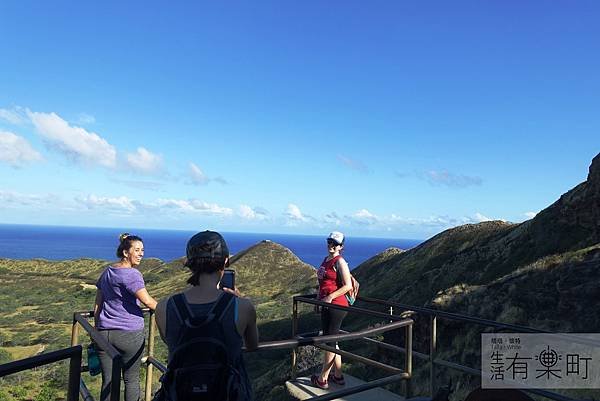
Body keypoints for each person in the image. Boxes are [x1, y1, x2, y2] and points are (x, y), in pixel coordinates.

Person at [155, 230, 258, 401]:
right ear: (225, 261)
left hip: (181, 393)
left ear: (190, 264)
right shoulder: (243, 306)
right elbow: (252, 345)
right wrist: (239, 299)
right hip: (227, 394)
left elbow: (170, 341)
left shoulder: (164, 306)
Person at [93, 233, 158, 401]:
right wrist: (170, 309)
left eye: (142, 250)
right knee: (131, 379)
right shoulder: (132, 274)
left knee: (108, 380)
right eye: (136, 250)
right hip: (129, 334)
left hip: (103, 332)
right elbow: (148, 302)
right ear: (125, 252)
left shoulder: (108, 271)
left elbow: (98, 302)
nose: (141, 254)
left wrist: (96, 327)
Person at [312, 231, 353, 390]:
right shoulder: (326, 260)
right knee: (332, 340)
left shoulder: (340, 261)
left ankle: (322, 379)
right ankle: (338, 375)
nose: (331, 245)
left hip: (336, 306)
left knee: (329, 341)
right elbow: (322, 284)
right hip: (327, 304)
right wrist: (318, 299)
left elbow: (347, 285)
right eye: (330, 241)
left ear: (341, 247)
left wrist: (330, 297)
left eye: (335, 243)